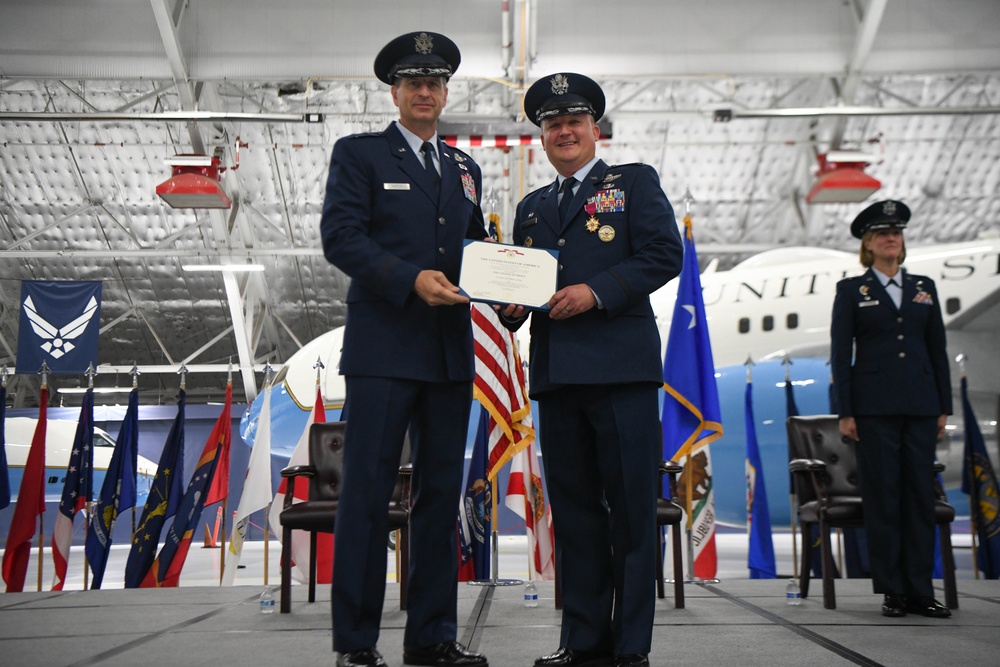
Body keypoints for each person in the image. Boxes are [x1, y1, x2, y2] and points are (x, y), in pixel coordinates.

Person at [500, 73, 683, 667]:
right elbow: (527, 289)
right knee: (575, 518)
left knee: (631, 515)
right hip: (557, 379)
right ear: (543, 139)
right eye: (552, 125)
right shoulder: (532, 209)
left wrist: (595, 292)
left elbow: (663, 254)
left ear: (593, 130)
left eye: (573, 121)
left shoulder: (632, 183)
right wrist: (510, 309)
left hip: (621, 374)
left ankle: (631, 648)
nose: (563, 131)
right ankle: (583, 643)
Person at [320, 31, 489, 667]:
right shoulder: (360, 155)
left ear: (446, 91)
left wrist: (509, 289)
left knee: (442, 498)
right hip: (384, 350)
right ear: (394, 91)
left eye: (436, 81)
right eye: (414, 81)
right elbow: (340, 239)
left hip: (449, 354)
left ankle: (431, 637)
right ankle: (356, 645)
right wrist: (408, 278)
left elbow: (476, 252)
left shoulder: (464, 169)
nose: (426, 91)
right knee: (366, 493)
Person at [830, 199, 952, 619]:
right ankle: (893, 591)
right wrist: (846, 411)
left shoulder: (924, 287)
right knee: (884, 499)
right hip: (873, 409)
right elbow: (840, 352)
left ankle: (921, 589)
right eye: (882, 234)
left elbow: (937, 349)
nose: (890, 239)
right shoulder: (852, 291)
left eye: (896, 233)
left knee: (918, 498)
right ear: (868, 244)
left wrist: (943, 407)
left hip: (920, 407)